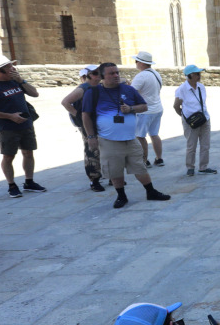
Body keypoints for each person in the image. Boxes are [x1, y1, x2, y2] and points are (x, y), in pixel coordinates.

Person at [82, 63, 171, 209]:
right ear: (102, 76)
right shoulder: (93, 93)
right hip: (108, 140)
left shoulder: (128, 90)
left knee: (140, 167)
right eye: (111, 73)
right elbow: (85, 115)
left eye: (117, 72)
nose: (116, 75)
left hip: (131, 138)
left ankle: (151, 192)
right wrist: (91, 137)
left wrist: (131, 108)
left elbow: (144, 106)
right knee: (115, 170)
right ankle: (121, 196)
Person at [0, 55, 45, 198]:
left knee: (28, 153)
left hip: (26, 124)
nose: (13, 68)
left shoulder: (16, 81)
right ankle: (11, 185)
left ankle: (29, 181)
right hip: (7, 127)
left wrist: (21, 80)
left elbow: (35, 93)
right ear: (1, 71)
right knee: (9, 156)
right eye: (9, 66)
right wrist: (10, 116)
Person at [61, 65, 105, 192]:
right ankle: (94, 180)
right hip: (88, 124)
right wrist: (79, 116)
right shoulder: (83, 88)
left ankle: (108, 175)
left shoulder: (99, 86)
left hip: (99, 122)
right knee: (92, 150)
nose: (99, 76)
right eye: (96, 73)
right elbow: (65, 102)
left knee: (104, 148)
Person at [173, 64, 216, 177]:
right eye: (197, 74)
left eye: (199, 73)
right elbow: (176, 106)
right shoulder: (182, 89)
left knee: (205, 144)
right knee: (191, 145)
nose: (199, 75)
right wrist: (184, 117)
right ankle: (190, 167)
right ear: (190, 75)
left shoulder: (201, 87)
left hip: (204, 118)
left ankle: (203, 167)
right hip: (191, 121)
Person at [130, 51, 165, 169]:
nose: (135, 63)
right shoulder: (156, 74)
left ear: (141, 63)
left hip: (145, 111)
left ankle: (145, 160)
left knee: (140, 136)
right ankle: (159, 158)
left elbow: (131, 93)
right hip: (157, 108)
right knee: (154, 134)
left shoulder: (141, 76)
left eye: (136, 61)